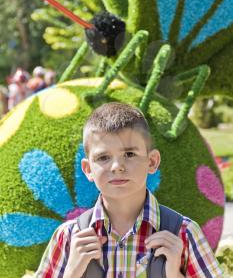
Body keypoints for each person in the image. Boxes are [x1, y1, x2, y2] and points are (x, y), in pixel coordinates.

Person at [35, 102, 223, 278]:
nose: (117, 166)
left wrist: (175, 274)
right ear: (88, 169)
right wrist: (71, 272)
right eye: (103, 157)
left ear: (152, 161)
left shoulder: (183, 234)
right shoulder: (69, 237)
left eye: (129, 154)